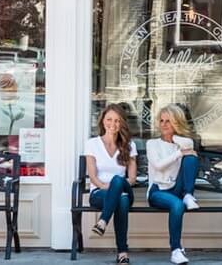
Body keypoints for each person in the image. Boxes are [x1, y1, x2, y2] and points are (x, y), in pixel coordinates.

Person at [146, 104, 200, 265]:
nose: (163, 124)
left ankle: (188, 194)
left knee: (191, 158)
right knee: (177, 205)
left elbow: (189, 144)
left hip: (176, 188)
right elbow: (158, 165)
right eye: (161, 121)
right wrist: (179, 153)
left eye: (168, 121)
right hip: (157, 191)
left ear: (177, 122)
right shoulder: (152, 144)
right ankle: (176, 250)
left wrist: (174, 138)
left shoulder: (183, 142)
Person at [85, 104, 137, 264]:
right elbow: (93, 177)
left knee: (117, 180)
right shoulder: (92, 143)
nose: (112, 124)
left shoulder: (129, 145)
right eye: (109, 119)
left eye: (117, 120)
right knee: (120, 200)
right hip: (99, 193)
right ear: (102, 121)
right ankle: (122, 252)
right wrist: (110, 188)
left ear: (122, 123)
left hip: (125, 189)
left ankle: (102, 221)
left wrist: (116, 184)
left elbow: (132, 179)